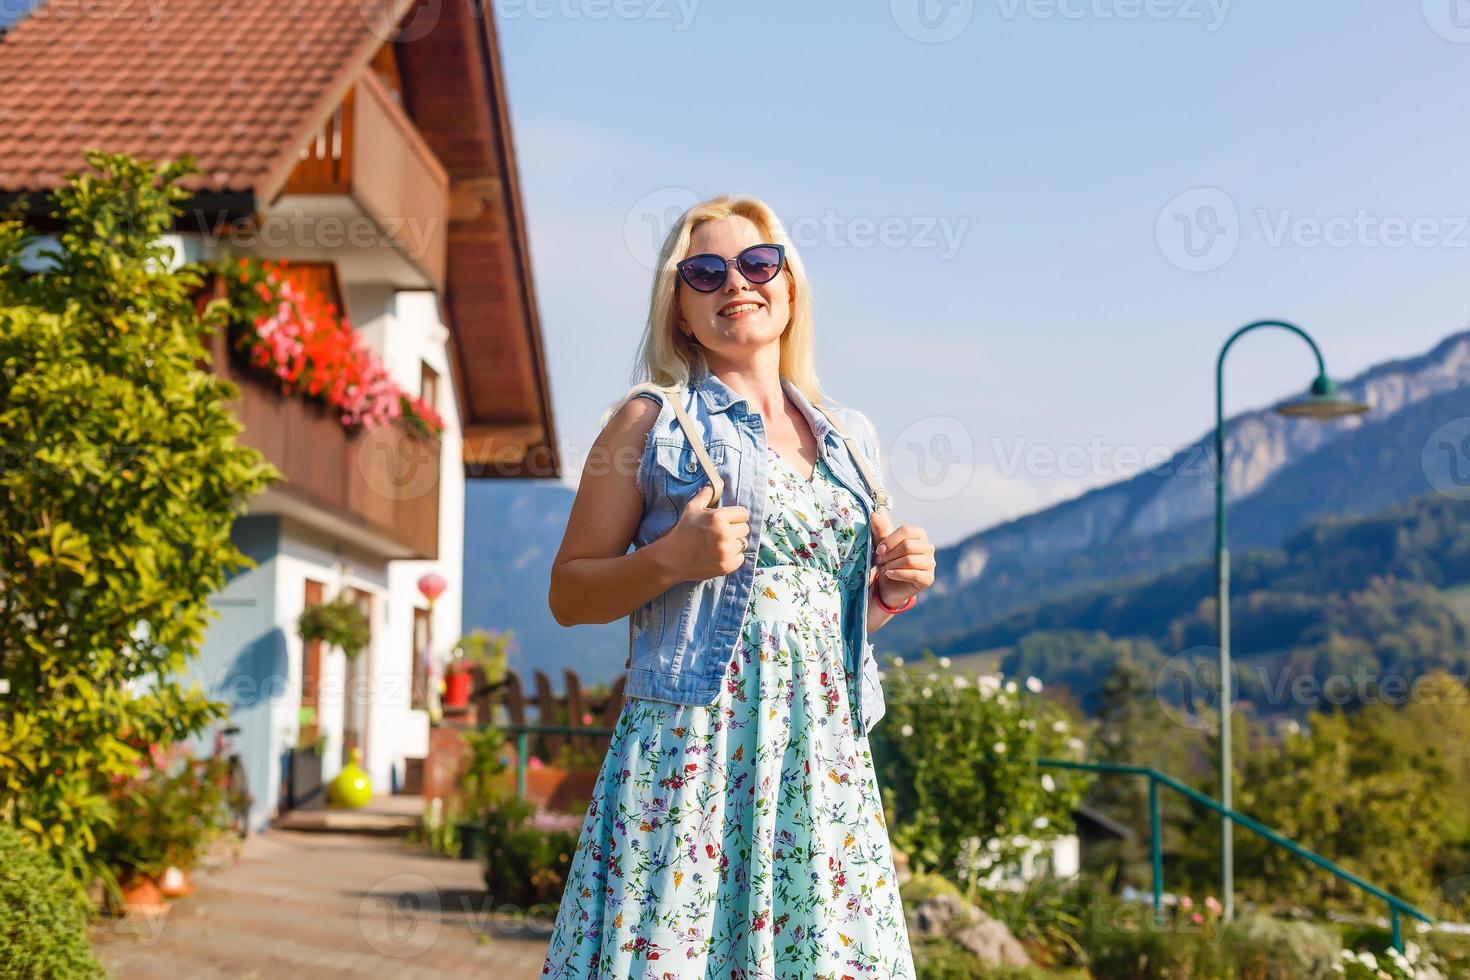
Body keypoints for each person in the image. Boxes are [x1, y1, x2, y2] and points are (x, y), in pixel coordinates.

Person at [541, 194, 936, 977]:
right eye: (706, 272)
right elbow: (568, 593)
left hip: (820, 753)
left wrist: (891, 592)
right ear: (680, 310)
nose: (737, 284)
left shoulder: (849, 437)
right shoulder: (648, 422)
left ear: (789, 290)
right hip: (693, 745)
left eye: (759, 264)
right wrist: (668, 562)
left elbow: (832, 624)